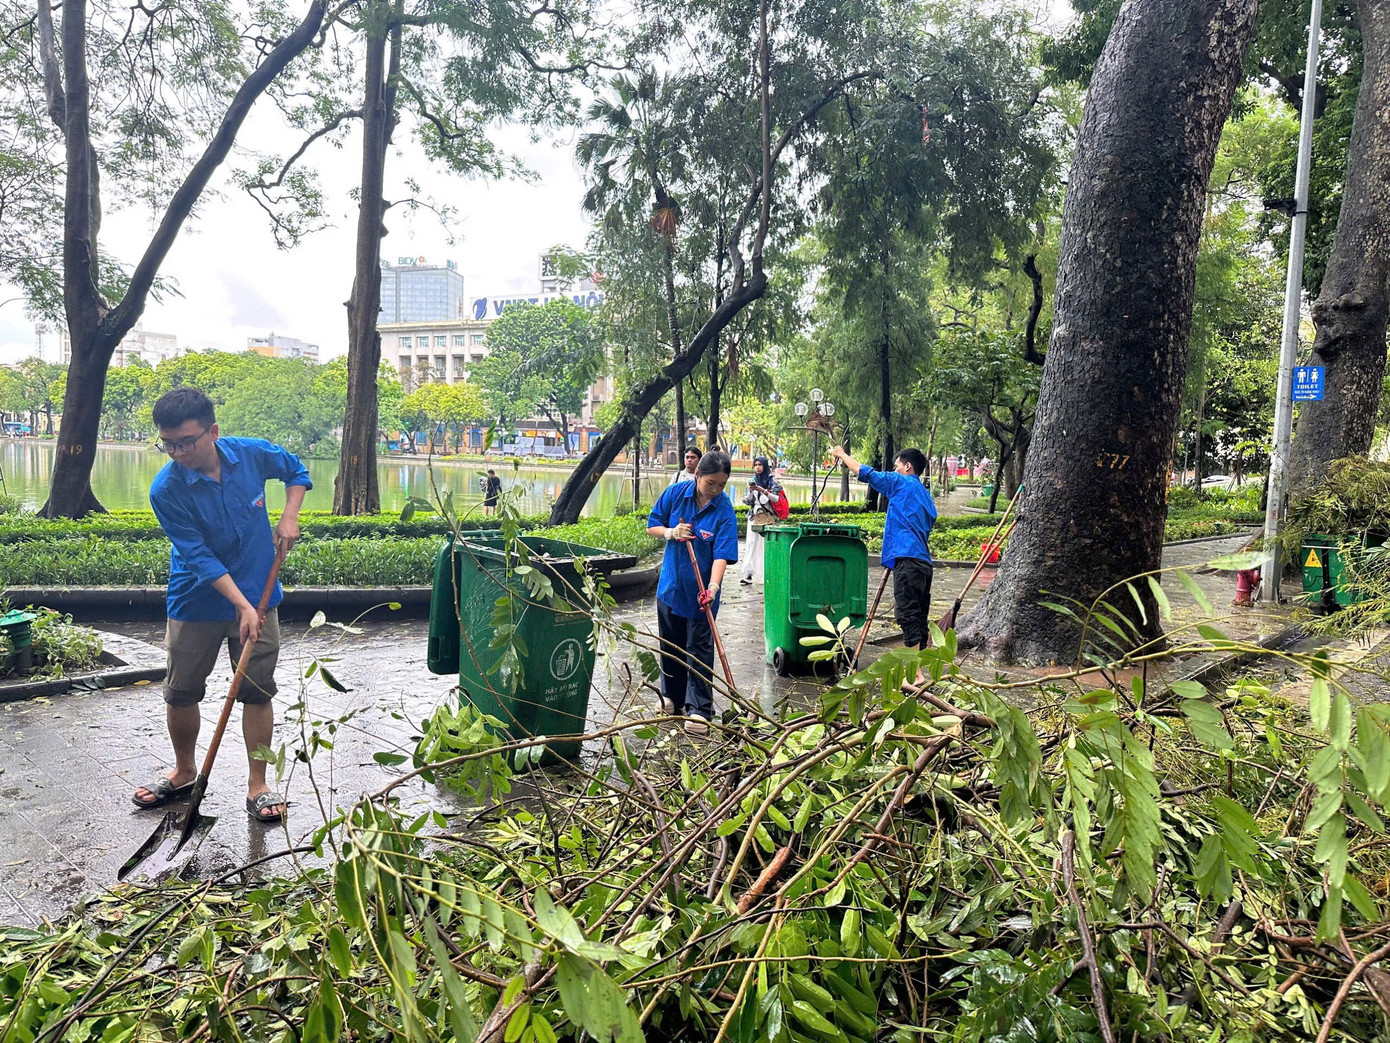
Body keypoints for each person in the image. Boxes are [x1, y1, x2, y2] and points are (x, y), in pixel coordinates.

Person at [132, 386, 311, 824]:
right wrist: (240, 605)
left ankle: (257, 784)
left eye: (186, 442)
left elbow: (296, 471)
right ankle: (184, 771)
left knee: (256, 688)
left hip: (260, 593)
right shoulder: (166, 489)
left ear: (212, 432)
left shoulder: (250, 455)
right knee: (181, 690)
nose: (177, 452)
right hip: (195, 600)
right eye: (168, 443)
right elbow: (198, 556)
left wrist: (290, 514)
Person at [646, 450, 738, 737]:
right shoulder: (675, 494)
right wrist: (671, 532)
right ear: (697, 475)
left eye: (721, 485)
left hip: (702, 594)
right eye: (711, 483)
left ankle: (699, 709)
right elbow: (653, 526)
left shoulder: (723, 509)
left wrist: (713, 587)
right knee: (671, 646)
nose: (715, 490)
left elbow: (722, 554)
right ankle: (670, 697)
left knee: (698, 650)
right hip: (671, 588)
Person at [830, 444, 936, 684]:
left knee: (907, 615)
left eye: (897, 464)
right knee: (919, 617)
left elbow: (866, 473)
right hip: (922, 563)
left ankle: (915, 675)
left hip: (907, 560)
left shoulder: (901, 483)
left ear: (907, 466)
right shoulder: (925, 495)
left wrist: (842, 454)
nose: (895, 468)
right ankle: (918, 671)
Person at [740, 455, 783, 585]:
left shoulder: (772, 481)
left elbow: (777, 499)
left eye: (760, 465)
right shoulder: (752, 480)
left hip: (768, 516)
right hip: (754, 516)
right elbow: (747, 501)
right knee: (751, 544)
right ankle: (748, 573)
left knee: (767, 544)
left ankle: (770, 573)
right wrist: (750, 492)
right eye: (756, 465)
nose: (758, 467)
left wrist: (763, 491)